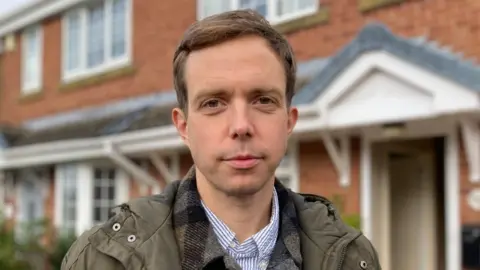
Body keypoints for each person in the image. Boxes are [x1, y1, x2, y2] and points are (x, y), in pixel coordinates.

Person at [61, 9, 381, 270]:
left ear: (288, 121)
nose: (241, 126)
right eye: (214, 103)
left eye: (263, 100)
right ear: (183, 126)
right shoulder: (102, 259)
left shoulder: (351, 258)